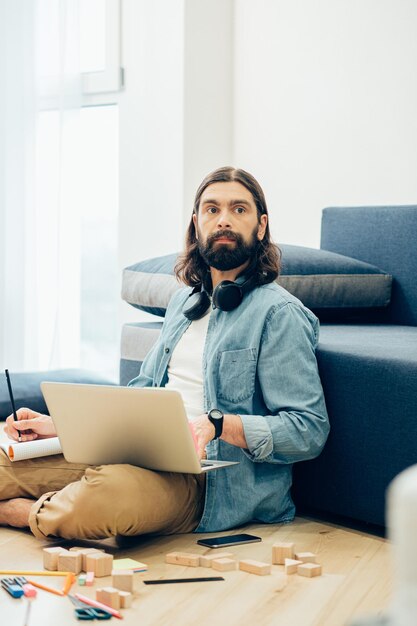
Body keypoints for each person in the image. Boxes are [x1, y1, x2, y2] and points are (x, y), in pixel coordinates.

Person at [0, 166, 329, 540]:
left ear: (261, 226)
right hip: (140, 455)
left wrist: (221, 424)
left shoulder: (279, 314)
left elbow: (309, 431)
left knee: (108, 494)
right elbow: (141, 398)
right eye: (211, 209)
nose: (223, 219)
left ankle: (25, 513)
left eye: (239, 210)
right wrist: (58, 425)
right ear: (196, 224)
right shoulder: (183, 303)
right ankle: (61, 505)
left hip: (208, 484)